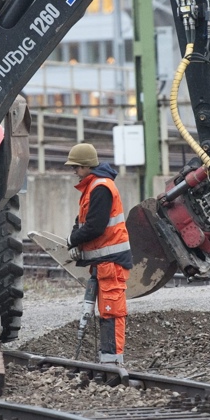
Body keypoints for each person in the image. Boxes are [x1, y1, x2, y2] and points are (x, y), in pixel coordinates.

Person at [64, 143, 132, 366]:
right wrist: (75, 237)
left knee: (111, 312)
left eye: (76, 167)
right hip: (103, 263)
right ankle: (107, 362)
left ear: (86, 166)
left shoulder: (101, 187)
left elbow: (95, 227)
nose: (74, 171)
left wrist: (72, 240)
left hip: (111, 262)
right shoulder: (92, 186)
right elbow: (82, 221)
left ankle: (113, 364)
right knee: (107, 313)